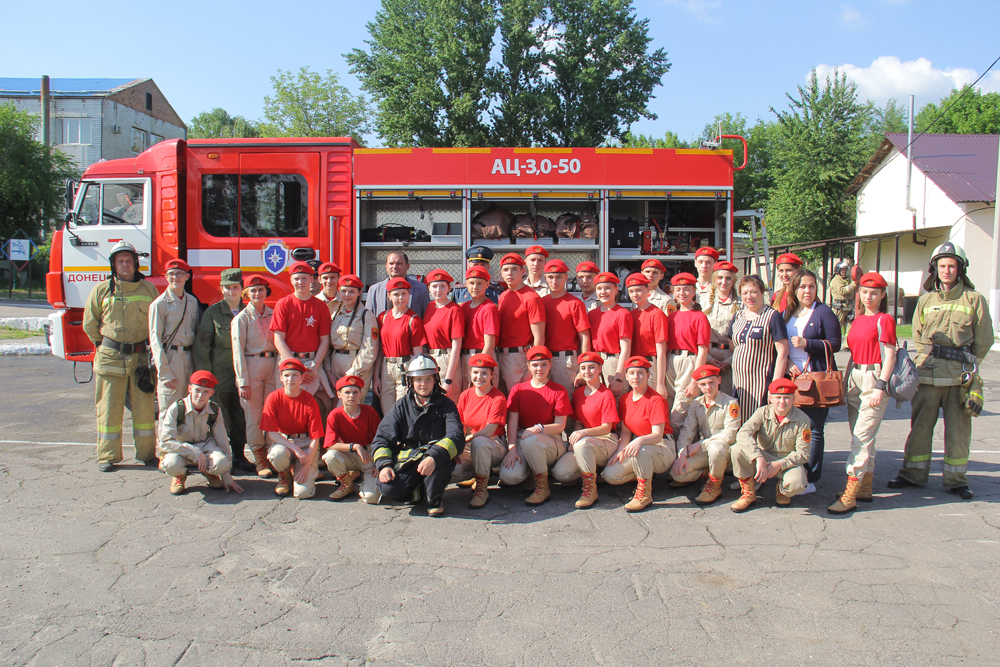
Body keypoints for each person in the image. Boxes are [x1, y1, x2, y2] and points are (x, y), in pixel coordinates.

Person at [890, 242, 993, 500]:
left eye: (952, 266)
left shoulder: (974, 299)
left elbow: (984, 339)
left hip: (958, 379)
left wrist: (971, 371)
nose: (946, 271)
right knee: (920, 429)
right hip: (928, 376)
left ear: (960, 269)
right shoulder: (925, 300)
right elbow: (918, 336)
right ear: (934, 269)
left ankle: (957, 480)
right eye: (942, 266)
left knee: (958, 432)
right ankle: (912, 474)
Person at [84, 241, 160, 471]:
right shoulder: (101, 290)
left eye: (129, 260)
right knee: (109, 408)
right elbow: (90, 323)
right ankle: (107, 456)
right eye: (120, 261)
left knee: (145, 409)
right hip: (111, 358)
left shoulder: (149, 290)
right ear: (113, 265)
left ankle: (147, 454)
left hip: (141, 359)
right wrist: (106, 346)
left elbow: (158, 322)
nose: (125, 265)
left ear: (136, 263)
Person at [829, 273, 896, 513]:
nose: (869, 297)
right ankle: (865, 487)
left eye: (874, 293)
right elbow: (854, 354)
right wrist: (845, 385)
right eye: (865, 292)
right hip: (855, 377)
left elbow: (890, 356)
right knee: (864, 438)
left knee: (861, 437)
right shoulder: (857, 320)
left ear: (882, 295)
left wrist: (881, 385)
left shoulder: (884, 319)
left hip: (874, 378)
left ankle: (851, 493)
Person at [372, 355, 464, 516]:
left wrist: (434, 456)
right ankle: (419, 491)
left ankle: (434, 499)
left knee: (437, 470)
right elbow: (382, 438)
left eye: (428, 379)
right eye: (418, 379)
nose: (423, 384)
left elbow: (456, 436)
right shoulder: (401, 406)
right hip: (410, 459)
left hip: (436, 460)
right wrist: (384, 465)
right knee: (388, 489)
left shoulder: (446, 405)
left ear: (435, 380)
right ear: (411, 382)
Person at [783, 268, 841, 494]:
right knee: (792, 427)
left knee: (814, 429)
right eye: (802, 287)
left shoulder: (823, 312)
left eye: (812, 286)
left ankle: (811, 478)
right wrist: (788, 361)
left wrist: (808, 343)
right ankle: (793, 472)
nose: (807, 291)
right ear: (794, 289)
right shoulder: (788, 312)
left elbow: (835, 343)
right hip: (791, 377)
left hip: (815, 379)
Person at [193, 268, 253, 472]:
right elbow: (203, 347)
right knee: (220, 416)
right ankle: (222, 457)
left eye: (235, 287)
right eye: (227, 288)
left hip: (244, 372)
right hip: (220, 373)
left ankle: (239, 456)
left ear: (242, 289)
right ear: (221, 289)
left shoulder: (250, 311)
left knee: (241, 415)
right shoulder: (213, 312)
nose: (231, 292)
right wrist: (206, 378)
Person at [500, 346, 573, 506]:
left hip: (550, 438)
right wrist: (512, 448)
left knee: (532, 440)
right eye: (535, 365)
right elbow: (512, 423)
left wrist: (540, 428)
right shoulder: (518, 390)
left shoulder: (558, 391)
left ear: (550, 365)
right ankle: (530, 472)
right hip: (522, 438)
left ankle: (542, 487)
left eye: (544, 364)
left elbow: (560, 426)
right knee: (509, 476)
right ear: (528, 366)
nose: (539, 369)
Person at [602, 356, 675, 512]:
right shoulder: (625, 399)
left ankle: (644, 494)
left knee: (642, 449)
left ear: (648, 376)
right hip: (640, 447)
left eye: (641, 373)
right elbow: (626, 432)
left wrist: (639, 441)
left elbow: (657, 435)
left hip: (662, 446)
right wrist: (621, 450)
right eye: (632, 373)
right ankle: (645, 473)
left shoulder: (656, 400)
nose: (636, 377)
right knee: (610, 475)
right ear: (626, 377)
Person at [729, 378, 811, 512]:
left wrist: (779, 464)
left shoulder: (802, 419)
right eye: (778, 397)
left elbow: (803, 453)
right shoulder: (762, 412)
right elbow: (743, 434)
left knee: (797, 485)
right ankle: (748, 493)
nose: (782, 401)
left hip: (787, 461)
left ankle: (782, 491)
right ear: (770, 398)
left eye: (787, 398)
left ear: (793, 399)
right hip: (764, 456)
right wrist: (757, 457)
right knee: (737, 449)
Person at [551, 351, 619, 508]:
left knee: (583, 443)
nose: (587, 371)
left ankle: (590, 490)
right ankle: (594, 470)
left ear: (600, 369)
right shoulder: (578, 394)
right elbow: (578, 423)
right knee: (561, 473)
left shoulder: (606, 394)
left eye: (592, 367)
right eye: (583, 368)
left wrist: (583, 433)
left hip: (606, 439)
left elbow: (607, 427)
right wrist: (573, 442)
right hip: (585, 441)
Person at [158, 370, 244, 495]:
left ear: (212, 393)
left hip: (205, 446)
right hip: (181, 448)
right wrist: (195, 452)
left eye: (205, 392)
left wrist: (226, 476)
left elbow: (222, 440)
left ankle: (208, 472)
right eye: (197, 390)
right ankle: (179, 475)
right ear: (189, 389)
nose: (200, 396)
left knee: (221, 463)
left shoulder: (214, 409)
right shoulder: (177, 408)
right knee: (171, 464)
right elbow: (165, 443)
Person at [671, 365, 740, 505]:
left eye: (711, 382)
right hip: (705, 451)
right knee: (678, 473)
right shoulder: (696, 404)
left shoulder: (731, 403)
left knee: (716, 448)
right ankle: (708, 473)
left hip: (724, 451)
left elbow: (730, 434)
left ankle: (714, 485)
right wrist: (682, 454)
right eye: (703, 384)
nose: (708, 387)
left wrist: (701, 444)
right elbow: (687, 430)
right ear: (697, 385)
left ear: (719, 380)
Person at [232, 275, 278, 478]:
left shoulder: (274, 314)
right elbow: (237, 352)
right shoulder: (241, 318)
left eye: (261, 290)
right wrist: (243, 381)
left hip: (273, 364)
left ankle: (271, 453)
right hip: (252, 365)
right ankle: (259, 456)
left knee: (273, 411)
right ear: (246, 294)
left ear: (266, 292)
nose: (257, 293)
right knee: (254, 414)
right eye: (253, 290)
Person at [259, 358, 325, 498]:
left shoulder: (309, 400)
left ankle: (303, 470)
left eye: (295, 375)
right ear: (281, 378)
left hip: (306, 443)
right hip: (285, 441)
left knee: (303, 493)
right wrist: (295, 449)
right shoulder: (273, 398)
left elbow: (315, 438)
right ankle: (285, 477)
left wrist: (306, 467)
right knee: (277, 454)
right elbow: (272, 433)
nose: (290, 379)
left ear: (302, 378)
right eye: (287, 375)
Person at [729, 274, 789, 420]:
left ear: (762, 293)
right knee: (739, 420)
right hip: (739, 382)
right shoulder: (737, 316)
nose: (749, 296)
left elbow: (783, 352)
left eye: (754, 292)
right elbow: (733, 347)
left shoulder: (773, 316)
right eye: (745, 293)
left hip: (761, 382)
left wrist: (775, 386)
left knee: (759, 422)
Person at [455, 354, 508, 509]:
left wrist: (468, 438)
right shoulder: (465, 395)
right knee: (453, 470)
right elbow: (460, 424)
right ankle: (475, 474)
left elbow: (489, 430)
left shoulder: (498, 398)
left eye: (484, 373)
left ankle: (481, 489)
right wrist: (456, 444)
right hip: (472, 443)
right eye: (476, 372)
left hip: (493, 443)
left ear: (492, 375)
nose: (479, 377)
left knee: (479, 443)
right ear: (469, 374)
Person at [271, 261, 331, 396]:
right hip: (288, 360)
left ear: (311, 279)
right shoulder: (283, 304)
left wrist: (314, 366)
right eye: (297, 278)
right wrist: (296, 366)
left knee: (313, 402)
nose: (300, 282)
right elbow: (278, 339)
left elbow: (324, 341)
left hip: (312, 363)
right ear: (291, 280)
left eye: (304, 278)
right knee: (288, 402)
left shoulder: (321, 306)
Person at [149, 258, 199, 414]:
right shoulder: (159, 304)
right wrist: (165, 373)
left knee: (188, 410)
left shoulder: (192, 301)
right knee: (169, 410)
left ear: (187, 277)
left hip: (189, 358)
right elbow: (155, 340)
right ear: (166, 277)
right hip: (171, 359)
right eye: (171, 274)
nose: (175, 277)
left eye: (179, 274)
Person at [322, 375, 382, 503]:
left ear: (360, 394)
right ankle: (347, 485)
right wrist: (355, 446)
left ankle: (365, 481)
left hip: (368, 455)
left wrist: (378, 463)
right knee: (330, 456)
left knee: (372, 498)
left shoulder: (370, 412)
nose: (351, 396)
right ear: (339, 395)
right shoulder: (335, 414)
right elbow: (331, 444)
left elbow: (381, 439)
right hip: (349, 453)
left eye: (355, 392)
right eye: (347, 392)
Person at [664, 273, 711, 433]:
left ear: (693, 291)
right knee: (668, 406)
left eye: (687, 289)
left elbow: (703, 349)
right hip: (671, 360)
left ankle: (680, 445)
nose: (682, 293)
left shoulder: (700, 317)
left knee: (679, 413)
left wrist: (695, 380)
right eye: (678, 289)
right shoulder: (671, 316)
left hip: (689, 361)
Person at [374, 277, 427, 413]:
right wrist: (376, 377)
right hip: (386, 368)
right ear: (389, 296)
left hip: (405, 368)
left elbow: (418, 354)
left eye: (404, 293)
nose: (401, 298)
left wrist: (414, 378)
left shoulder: (413, 320)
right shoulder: (382, 318)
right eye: (396, 294)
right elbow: (379, 350)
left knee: (402, 409)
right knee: (387, 411)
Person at [540, 258, 591, 397]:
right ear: (545, 278)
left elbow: (584, 337)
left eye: (558, 277)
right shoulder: (542, 302)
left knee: (567, 400)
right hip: (544, 359)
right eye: (550, 277)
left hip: (565, 360)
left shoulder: (575, 303)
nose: (554, 281)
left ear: (566, 278)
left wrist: (584, 365)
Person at [496, 253, 546, 393]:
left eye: (514, 269)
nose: (509, 273)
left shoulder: (531, 297)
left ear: (523, 271)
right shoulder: (503, 296)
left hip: (519, 357)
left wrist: (534, 363)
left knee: (520, 398)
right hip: (500, 354)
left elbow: (539, 337)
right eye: (506, 269)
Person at [326, 274, 378, 395]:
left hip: (357, 367)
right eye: (343, 291)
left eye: (351, 292)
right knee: (336, 404)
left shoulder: (366, 316)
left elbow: (370, 349)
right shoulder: (334, 314)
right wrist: (328, 370)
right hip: (335, 365)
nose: (347, 295)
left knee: (352, 403)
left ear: (359, 292)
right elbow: (328, 345)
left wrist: (353, 373)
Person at [588, 272, 633, 397]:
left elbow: (626, 348)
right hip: (595, 362)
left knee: (616, 401)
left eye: (608, 288)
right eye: (599, 288)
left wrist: (619, 378)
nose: (603, 292)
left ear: (616, 289)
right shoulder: (592, 315)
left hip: (613, 362)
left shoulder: (622, 314)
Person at [422, 269, 464, 401]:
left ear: (449, 288)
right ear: (429, 288)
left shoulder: (454, 310)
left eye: (442, 286)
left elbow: (456, 346)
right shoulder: (430, 306)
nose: (438, 290)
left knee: (449, 401)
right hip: (430, 358)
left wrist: (449, 379)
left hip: (447, 359)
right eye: (434, 286)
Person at [625, 273, 668, 398]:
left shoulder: (657, 314)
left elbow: (661, 351)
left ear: (648, 289)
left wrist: (660, 383)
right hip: (633, 366)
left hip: (650, 365)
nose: (635, 294)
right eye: (631, 291)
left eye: (639, 290)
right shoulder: (631, 314)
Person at [459, 266, 500, 390]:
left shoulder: (489, 308)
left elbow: (489, 345)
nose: (475, 287)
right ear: (466, 284)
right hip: (465, 357)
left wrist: (479, 368)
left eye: (479, 283)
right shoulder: (463, 307)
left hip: (483, 356)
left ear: (487, 284)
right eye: (471, 283)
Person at [365, 251, 431, 316]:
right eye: (391, 263)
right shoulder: (374, 289)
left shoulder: (421, 288)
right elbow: (368, 317)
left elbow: (427, 315)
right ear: (386, 266)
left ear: (407, 266)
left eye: (399, 263)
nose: (394, 266)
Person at [829, 260, 856, 332]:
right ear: (838, 270)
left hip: (848, 307)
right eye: (842, 269)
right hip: (840, 308)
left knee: (849, 329)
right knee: (836, 329)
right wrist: (852, 285)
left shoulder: (845, 280)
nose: (844, 271)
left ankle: (846, 339)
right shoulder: (836, 280)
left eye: (845, 269)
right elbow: (842, 291)